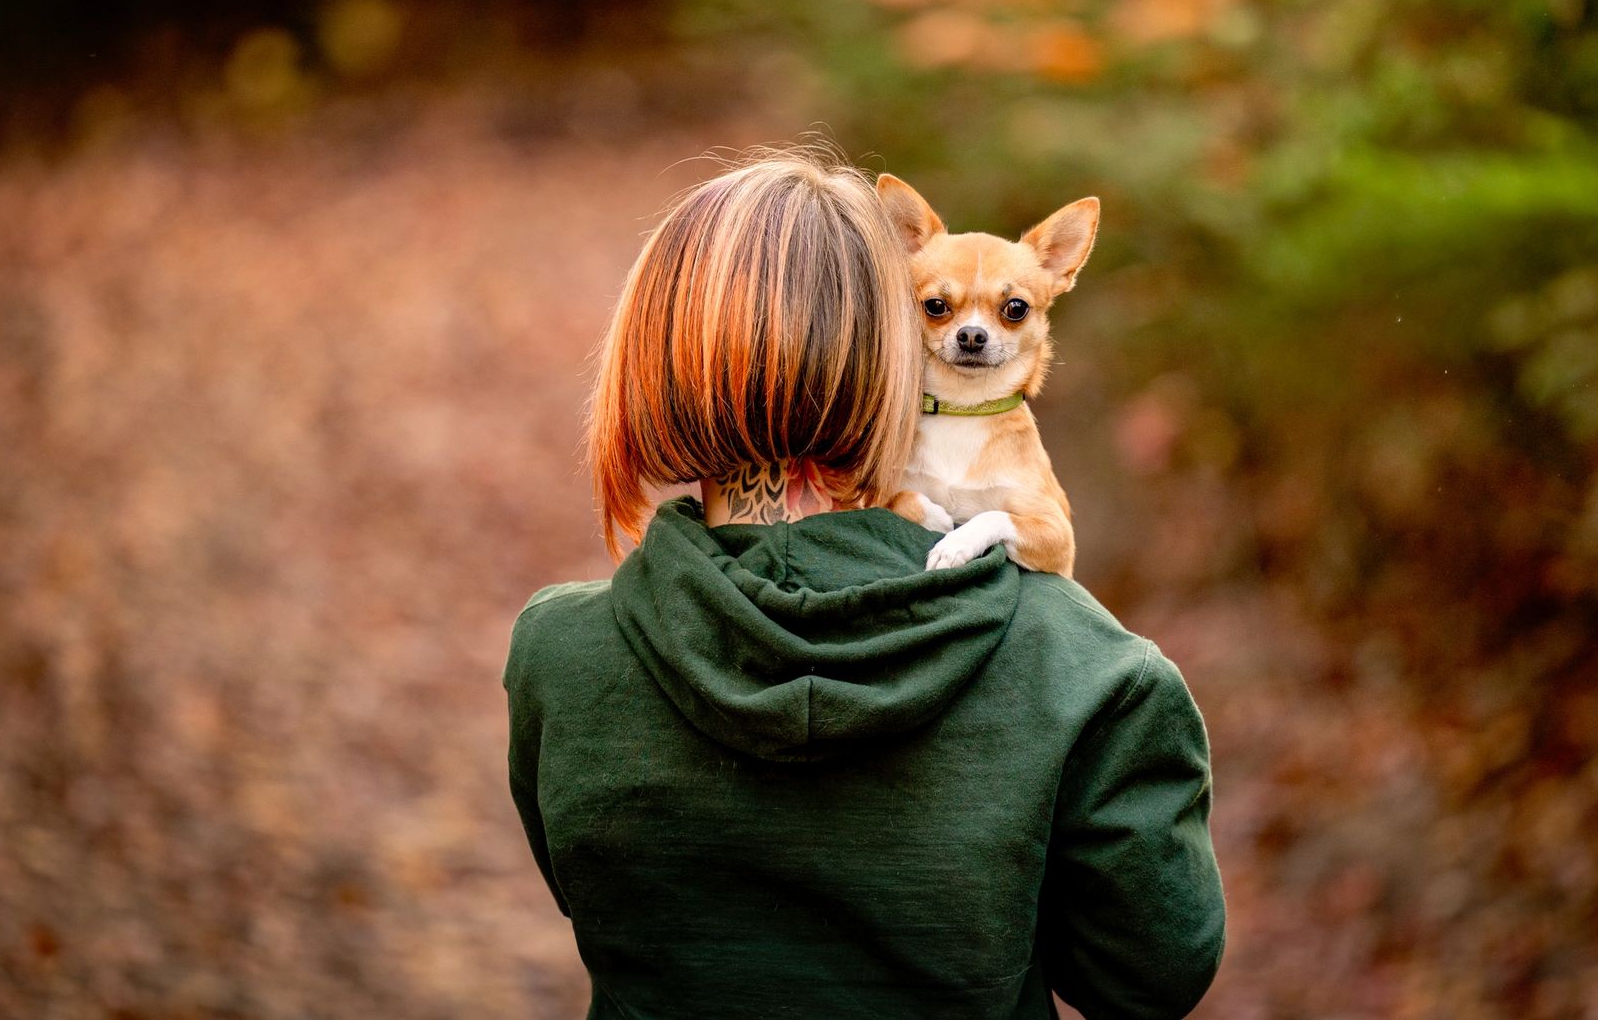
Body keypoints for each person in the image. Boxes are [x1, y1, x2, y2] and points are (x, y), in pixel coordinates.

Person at [504, 145, 1226, 1019]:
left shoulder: (561, 657)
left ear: (649, 371)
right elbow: (1155, 972)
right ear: (896, 355)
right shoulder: (1088, 674)